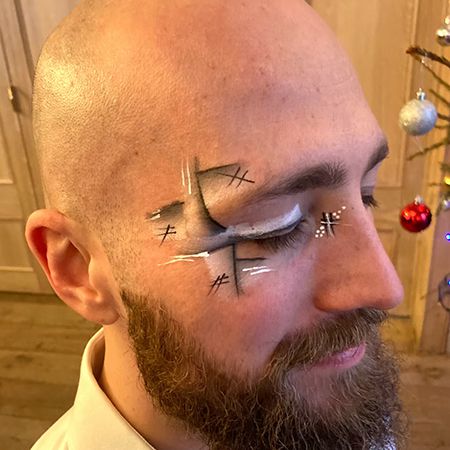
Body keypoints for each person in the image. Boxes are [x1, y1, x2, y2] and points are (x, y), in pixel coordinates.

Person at [25, 0, 407, 448]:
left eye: (366, 194)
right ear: (76, 269)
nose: (385, 287)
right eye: (275, 227)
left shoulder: (342, 415)